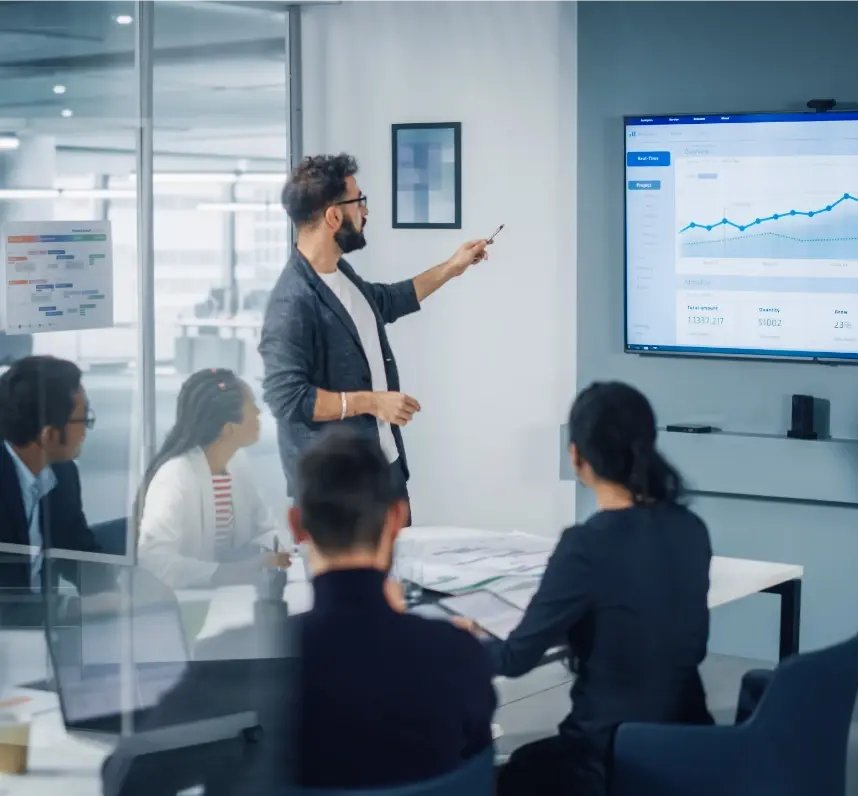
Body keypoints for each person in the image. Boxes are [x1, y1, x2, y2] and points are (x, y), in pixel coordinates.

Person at [111, 426, 495, 795]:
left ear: (296, 525)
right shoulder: (459, 657)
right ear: (396, 519)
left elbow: (127, 779)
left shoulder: (239, 663)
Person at [462, 382, 714, 796]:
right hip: (689, 744)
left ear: (577, 456)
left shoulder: (587, 545)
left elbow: (513, 658)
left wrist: (462, 638)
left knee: (505, 776)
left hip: (608, 760)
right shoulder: (691, 528)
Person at [259, 153, 492, 512]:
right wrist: (372, 401)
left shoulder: (341, 274)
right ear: (334, 216)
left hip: (383, 467)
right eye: (359, 201)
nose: (365, 212)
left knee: (400, 567)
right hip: (338, 491)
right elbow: (287, 398)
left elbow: (384, 301)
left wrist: (452, 267)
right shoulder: (293, 300)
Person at [136, 368, 291, 590]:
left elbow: (269, 530)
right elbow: (154, 561)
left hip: (232, 596)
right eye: (252, 407)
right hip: (184, 605)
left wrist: (261, 554)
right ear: (228, 428)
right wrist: (230, 572)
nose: (258, 412)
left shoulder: (238, 463)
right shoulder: (175, 475)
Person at [0, 356, 105, 619]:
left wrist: (119, 591)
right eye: (83, 420)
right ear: (48, 436)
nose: (86, 431)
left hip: (45, 636)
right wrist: (69, 608)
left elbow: (78, 550)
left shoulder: (62, 473)